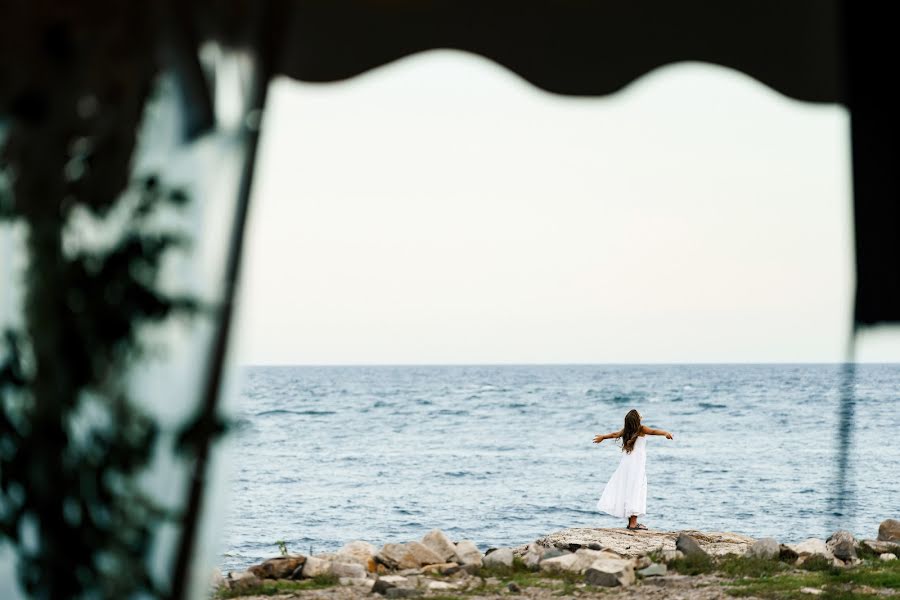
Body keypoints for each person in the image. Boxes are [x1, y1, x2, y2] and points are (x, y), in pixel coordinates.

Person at [592, 409, 673, 530]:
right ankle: (634, 524)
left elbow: (615, 434)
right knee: (635, 489)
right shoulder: (641, 429)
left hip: (627, 463)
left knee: (629, 489)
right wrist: (665, 433)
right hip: (636, 465)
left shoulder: (627, 431)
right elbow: (653, 431)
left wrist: (603, 437)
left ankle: (631, 523)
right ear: (637, 420)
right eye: (639, 415)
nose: (641, 415)